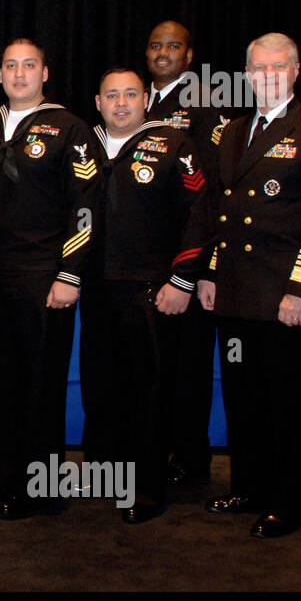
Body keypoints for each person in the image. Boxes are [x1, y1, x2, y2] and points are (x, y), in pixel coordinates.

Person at [198, 33, 301, 538]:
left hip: (283, 293)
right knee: (243, 398)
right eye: (257, 67)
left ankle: (286, 504)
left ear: (296, 70)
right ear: (245, 73)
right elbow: (222, 214)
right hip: (237, 292)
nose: (267, 75)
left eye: (277, 66)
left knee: (284, 402)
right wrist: (211, 273)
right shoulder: (233, 132)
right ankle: (247, 486)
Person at [0, 39, 100, 519]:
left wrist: (70, 274)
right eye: (10, 66)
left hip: (44, 277)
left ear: (45, 74)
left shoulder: (70, 128)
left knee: (39, 384)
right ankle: (1, 475)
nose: (19, 74)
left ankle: (41, 488)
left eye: (30, 66)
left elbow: (85, 207)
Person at [79, 67, 213, 523]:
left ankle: (147, 488)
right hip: (96, 288)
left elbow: (200, 213)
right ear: (97, 102)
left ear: (144, 101)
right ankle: (104, 474)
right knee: (101, 387)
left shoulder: (175, 145)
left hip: (152, 291)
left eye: (130, 95)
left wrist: (183, 280)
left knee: (149, 393)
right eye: (111, 94)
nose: (121, 103)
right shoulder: (84, 145)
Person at [145, 20, 232, 486]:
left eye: (173, 46)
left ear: (190, 56)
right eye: (156, 46)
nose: (163, 53)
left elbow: (213, 194)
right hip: (146, 260)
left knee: (188, 366)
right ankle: (156, 450)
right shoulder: (136, 101)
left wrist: (203, 268)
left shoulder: (206, 105)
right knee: (155, 364)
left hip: (188, 258)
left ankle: (191, 459)